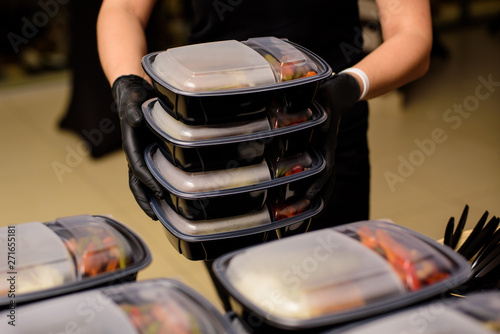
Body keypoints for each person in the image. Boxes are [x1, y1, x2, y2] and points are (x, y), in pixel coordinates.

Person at [97, 0, 432, 311]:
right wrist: (129, 87)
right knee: (251, 303)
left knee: (338, 302)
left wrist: (345, 88)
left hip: (325, 134)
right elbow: (123, 8)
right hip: (214, 147)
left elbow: (412, 33)